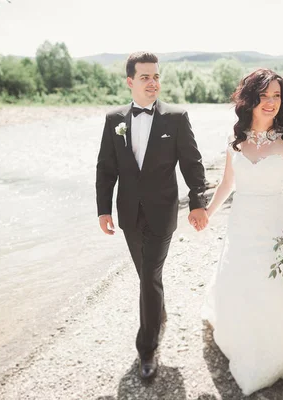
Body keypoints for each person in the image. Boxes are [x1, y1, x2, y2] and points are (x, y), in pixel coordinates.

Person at [201, 68, 283, 395]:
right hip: (242, 222)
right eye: (264, 95)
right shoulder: (236, 140)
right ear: (250, 98)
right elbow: (227, 183)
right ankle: (244, 340)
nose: (271, 102)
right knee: (239, 279)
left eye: (277, 96)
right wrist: (207, 212)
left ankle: (278, 349)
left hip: (276, 220)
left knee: (277, 283)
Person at [95, 52, 209, 379]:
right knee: (147, 276)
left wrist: (198, 201)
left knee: (149, 274)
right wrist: (103, 209)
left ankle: (147, 349)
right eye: (145, 77)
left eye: (156, 76)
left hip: (162, 212)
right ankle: (158, 311)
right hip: (128, 213)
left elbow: (192, 163)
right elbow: (106, 169)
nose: (153, 83)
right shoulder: (113, 120)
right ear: (130, 81)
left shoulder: (176, 117)